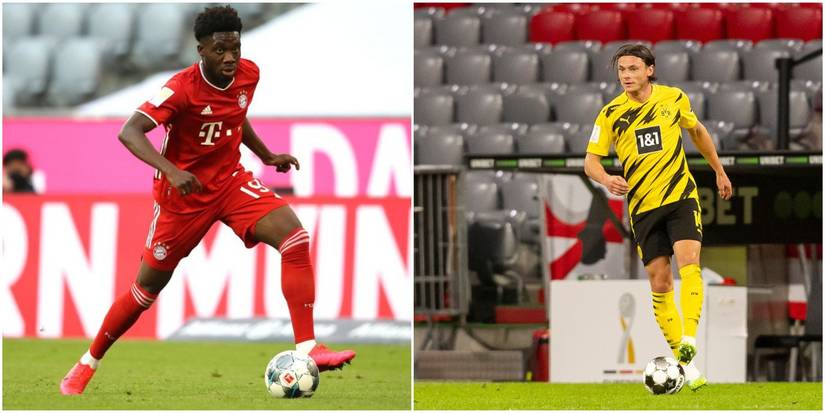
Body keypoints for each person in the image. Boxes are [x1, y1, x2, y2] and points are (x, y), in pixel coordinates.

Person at [60, 5, 355, 395]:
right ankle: (87, 363)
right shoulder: (180, 89)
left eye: (234, 47)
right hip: (182, 197)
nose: (230, 57)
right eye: (220, 50)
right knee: (144, 292)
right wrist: (171, 170)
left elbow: (235, 114)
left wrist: (266, 155)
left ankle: (308, 346)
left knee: (294, 237)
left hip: (230, 183)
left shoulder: (249, 73)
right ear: (200, 49)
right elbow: (129, 132)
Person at [583, 44, 732, 391]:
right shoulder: (610, 114)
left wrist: (719, 171)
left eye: (633, 69)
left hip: (681, 196)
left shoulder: (673, 99)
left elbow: (697, 132)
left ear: (650, 70)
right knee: (660, 281)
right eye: (622, 70)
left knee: (689, 262)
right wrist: (606, 178)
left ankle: (689, 339)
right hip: (643, 208)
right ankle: (688, 368)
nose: (626, 76)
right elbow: (590, 161)